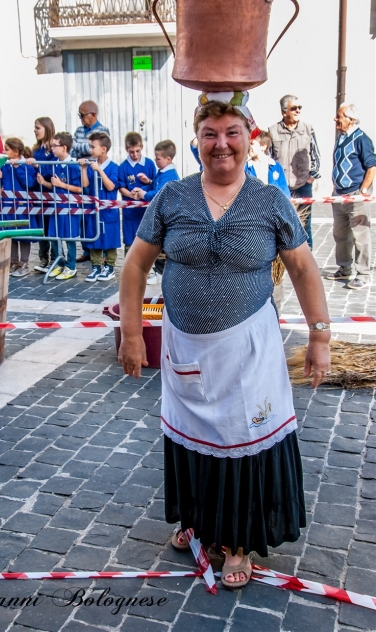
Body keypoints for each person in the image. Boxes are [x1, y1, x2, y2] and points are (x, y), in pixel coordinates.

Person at [118, 100, 331, 590]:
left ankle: (235, 542)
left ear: (249, 138)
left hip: (248, 352)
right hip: (185, 350)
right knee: (193, 437)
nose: (221, 144)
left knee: (242, 443)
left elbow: (302, 268)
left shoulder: (270, 200)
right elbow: (134, 266)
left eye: (231, 133)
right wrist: (132, 334)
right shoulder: (171, 197)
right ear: (196, 140)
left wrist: (319, 336)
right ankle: (199, 522)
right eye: (209, 134)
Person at [326, 103, 376, 290]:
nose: (336, 120)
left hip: (355, 195)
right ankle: (344, 268)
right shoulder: (341, 137)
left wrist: (363, 190)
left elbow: (372, 166)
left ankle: (363, 273)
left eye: (339, 117)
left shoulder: (362, 139)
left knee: (360, 235)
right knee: (340, 234)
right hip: (339, 195)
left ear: (351, 119)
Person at [269, 95, 320, 248]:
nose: (298, 111)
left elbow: (316, 154)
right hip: (282, 185)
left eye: (299, 108)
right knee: (281, 223)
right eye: (294, 108)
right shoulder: (273, 131)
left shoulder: (307, 129)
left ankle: (307, 258)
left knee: (305, 223)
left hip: (303, 183)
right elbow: (269, 157)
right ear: (284, 112)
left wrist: (311, 178)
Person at [132, 139, 180, 284]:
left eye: (158, 158)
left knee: (162, 247)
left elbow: (158, 194)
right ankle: (160, 272)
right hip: (162, 216)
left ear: (168, 159)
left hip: (167, 218)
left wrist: (143, 194)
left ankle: (161, 273)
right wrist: (147, 183)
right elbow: (155, 186)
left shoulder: (170, 176)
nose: (155, 161)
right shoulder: (163, 173)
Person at [71, 101, 110, 263]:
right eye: (79, 114)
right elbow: (72, 150)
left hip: (96, 175)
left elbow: (89, 150)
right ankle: (87, 249)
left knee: (98, 214)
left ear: (93, 115)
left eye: (82, 114)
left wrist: (81, 147)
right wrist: (84, 147)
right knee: (84, 214)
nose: (80, 118)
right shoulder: (79, 130)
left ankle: (101, 250)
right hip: (82, 173)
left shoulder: (103, 130)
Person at [39, 132, 81, 281]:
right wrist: (44, 183)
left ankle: (71, 266)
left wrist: (62, 184)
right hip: (55, 207)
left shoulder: (74, 165)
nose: (52, 148)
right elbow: (53, 185)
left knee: (69, 237)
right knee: (54, 235)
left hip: (69, 208)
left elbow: (80, 188)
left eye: (54, 146)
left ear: (64, 147)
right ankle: (59, 262)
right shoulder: (54, 164)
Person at [80, 132, 120, 282]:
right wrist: (84, 169)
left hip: (108, 210)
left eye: (93, 146)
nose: (90, 149)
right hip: (93, 209)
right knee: (93, 236)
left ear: (103, 149)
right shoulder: (91, 165)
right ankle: (96, 266)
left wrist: (99, 170)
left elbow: (111, 186)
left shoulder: (114, 167)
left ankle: (109, 267)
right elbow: (85, 185)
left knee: (110, 238)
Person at [0, 138, 37, 278]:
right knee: (11, 233)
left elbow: (29, 183)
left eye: (6, 149)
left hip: (23, 206)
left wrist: (18, 168)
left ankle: (24, 262)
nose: (3, 151)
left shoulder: (26, 165)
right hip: (8, 205)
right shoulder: (4, 165)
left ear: (16, 152)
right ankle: (13, 261)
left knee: (24, 234)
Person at [118, 132, 157, 255]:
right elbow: (121, 187)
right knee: (130, 242)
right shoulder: (123, 167)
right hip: (130, 212)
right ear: (126, 150)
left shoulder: (149, 164)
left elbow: (155, 184)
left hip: (146, 210)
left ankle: (149, 270)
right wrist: (130, 195)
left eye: (137, 151)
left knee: (147, 241)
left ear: (142, 147)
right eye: (131, 152)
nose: (135, 155)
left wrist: (148, 181)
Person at [29, 117, 57, 274]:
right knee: (43, 226)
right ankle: (43, 258)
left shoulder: (54, 150)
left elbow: (52, 171)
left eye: (38, 127)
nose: (35, 130)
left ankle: (55, 258)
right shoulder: (36, 150)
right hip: (39, 194)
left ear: (46, 128)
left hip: (52, 193)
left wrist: (39, 166)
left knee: (53, 226)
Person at [245, 131, 290, 196]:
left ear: (263, 146)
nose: (249, 147)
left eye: (252, 144)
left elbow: (284, 191)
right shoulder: (246, 168)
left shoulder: (276, 167)